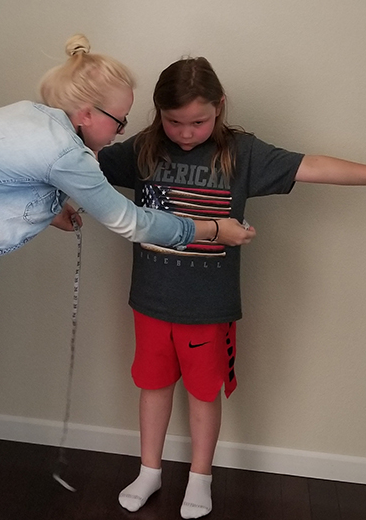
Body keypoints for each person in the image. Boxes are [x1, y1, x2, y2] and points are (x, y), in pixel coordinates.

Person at [0, 36, 254, 520]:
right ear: (86, 113)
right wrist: (211, 228)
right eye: (118, 120)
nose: (119, 130)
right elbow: (133, 222)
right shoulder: (67, 151)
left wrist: (51, 212)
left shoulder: (30, 117)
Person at [96, 56, 366, 519]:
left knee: (204, 392)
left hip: (209, 307)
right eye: (173, 121)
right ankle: (149, 470)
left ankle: (201, 477)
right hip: (149, 302)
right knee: (153, 386)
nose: (184, 132)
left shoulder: (242, 152)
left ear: (219, 107)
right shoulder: (143, 148)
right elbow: (83, 168)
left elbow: (312, 165)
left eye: (197, 121)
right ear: (157, 113)